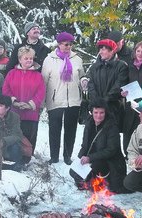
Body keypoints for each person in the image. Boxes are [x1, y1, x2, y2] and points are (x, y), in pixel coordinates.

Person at [42, 32, 85, 165]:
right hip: (55, 99)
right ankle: (54, 156)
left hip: (73, 100)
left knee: (70, 129)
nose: (68, 47)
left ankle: (67, 156)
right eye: (66, 44)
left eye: (71, 44)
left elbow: (82, 75)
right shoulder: (49, 59)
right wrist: (42, 102)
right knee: (54, 129)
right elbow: (43, 81)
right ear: (59, 44)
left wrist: (84, 81)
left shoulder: (77, 59)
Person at [70, 100, 126, 193]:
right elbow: (85, 146)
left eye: (101, 112)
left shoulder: (112, 126)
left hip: (109, 162)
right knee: (73, 171)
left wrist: (90, 158)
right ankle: (89, 181)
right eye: (96, 112)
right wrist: (79, 160)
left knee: (95, 166)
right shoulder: (89, 123)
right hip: (92, 158)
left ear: (105, 112)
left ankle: (100, 182)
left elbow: (111, 150)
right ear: (92, 112)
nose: (98, 116)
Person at [2, 46, 46, 162]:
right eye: (26, 58)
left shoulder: (38, 76)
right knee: (14, 136)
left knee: (29, 137)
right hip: (14, 112)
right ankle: (14, 159)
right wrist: (14, 102)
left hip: (31, 113)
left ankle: (26, 160)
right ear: (20, 59)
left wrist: (30, 104)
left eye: (31, 58)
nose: (29, 61)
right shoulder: (11, 73)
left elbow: (41, 92)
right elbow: (6, 89)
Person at [87, 39, 129, 137]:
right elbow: (91, 85)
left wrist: (104, 102)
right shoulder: (94, 67)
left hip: (113, 109)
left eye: (104, 49)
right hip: (97, 110)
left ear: (112, 51)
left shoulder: (121, 66)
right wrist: (97, 102)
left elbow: (118, 86)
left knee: (111, 138)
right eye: (100, 49)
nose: (100, 52)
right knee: (95, 137)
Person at [122, 41, 142, 155]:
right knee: (128, 131)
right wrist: (123, 92)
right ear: (134, 52)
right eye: (138, 51)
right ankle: (128, 154)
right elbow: (123, 82)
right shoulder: (128, 65)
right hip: (130, 103)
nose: (140, 54)